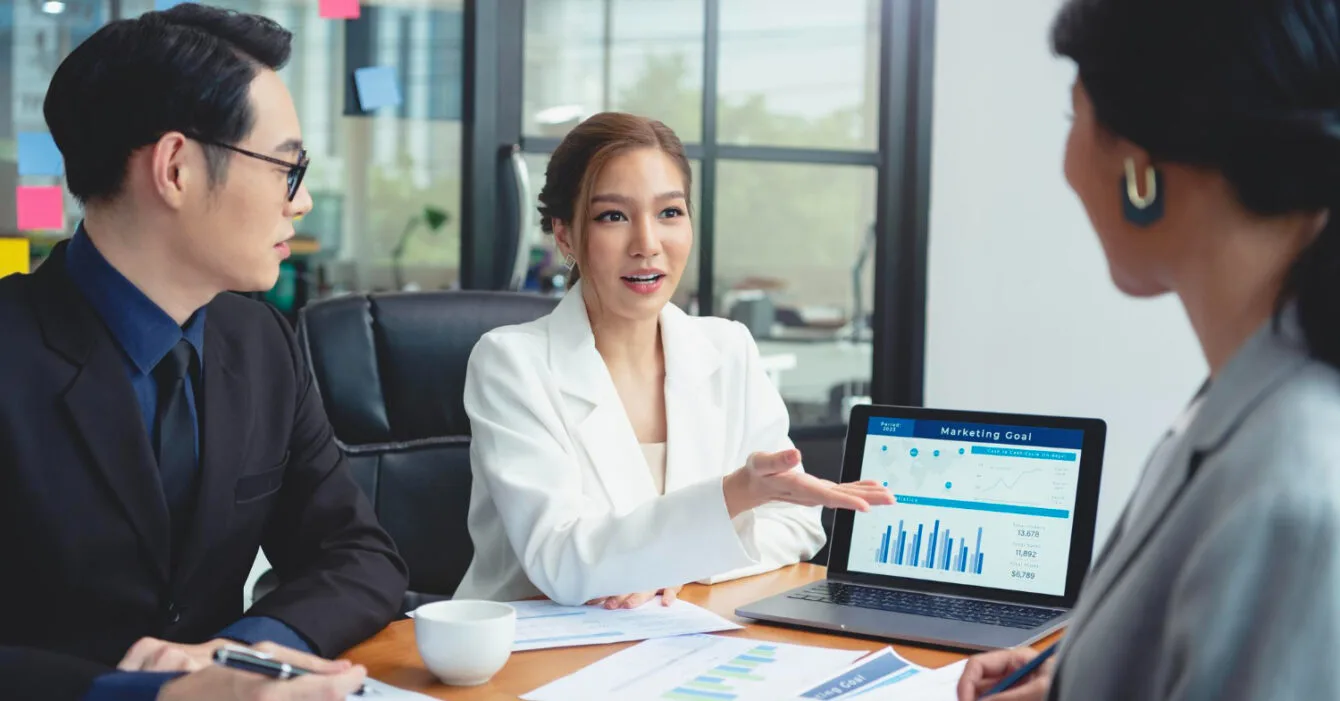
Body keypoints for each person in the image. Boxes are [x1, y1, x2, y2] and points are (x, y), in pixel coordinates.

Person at [0, 4, 408, 699]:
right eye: (287, 168)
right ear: (177, 168)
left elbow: (358, 554)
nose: (302, 201)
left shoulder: (262, 343)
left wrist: (241, 654)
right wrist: (146, 693)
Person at [956, 0, 1340, 699]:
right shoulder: (1242, 399)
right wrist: (1073, 675)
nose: (1068, 164)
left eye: (1075, 120)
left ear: (1140, 173)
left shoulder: (1295, 487)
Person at [454, 112, 893, 608]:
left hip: (680, 641)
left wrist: (676, 566)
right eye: (613, 216)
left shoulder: (727, 348)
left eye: (669, 213)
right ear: (565, 236)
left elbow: (794, 521)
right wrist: (734, 496)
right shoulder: (512, 364)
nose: (647, 245)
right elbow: (563, 562)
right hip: (528, 658)